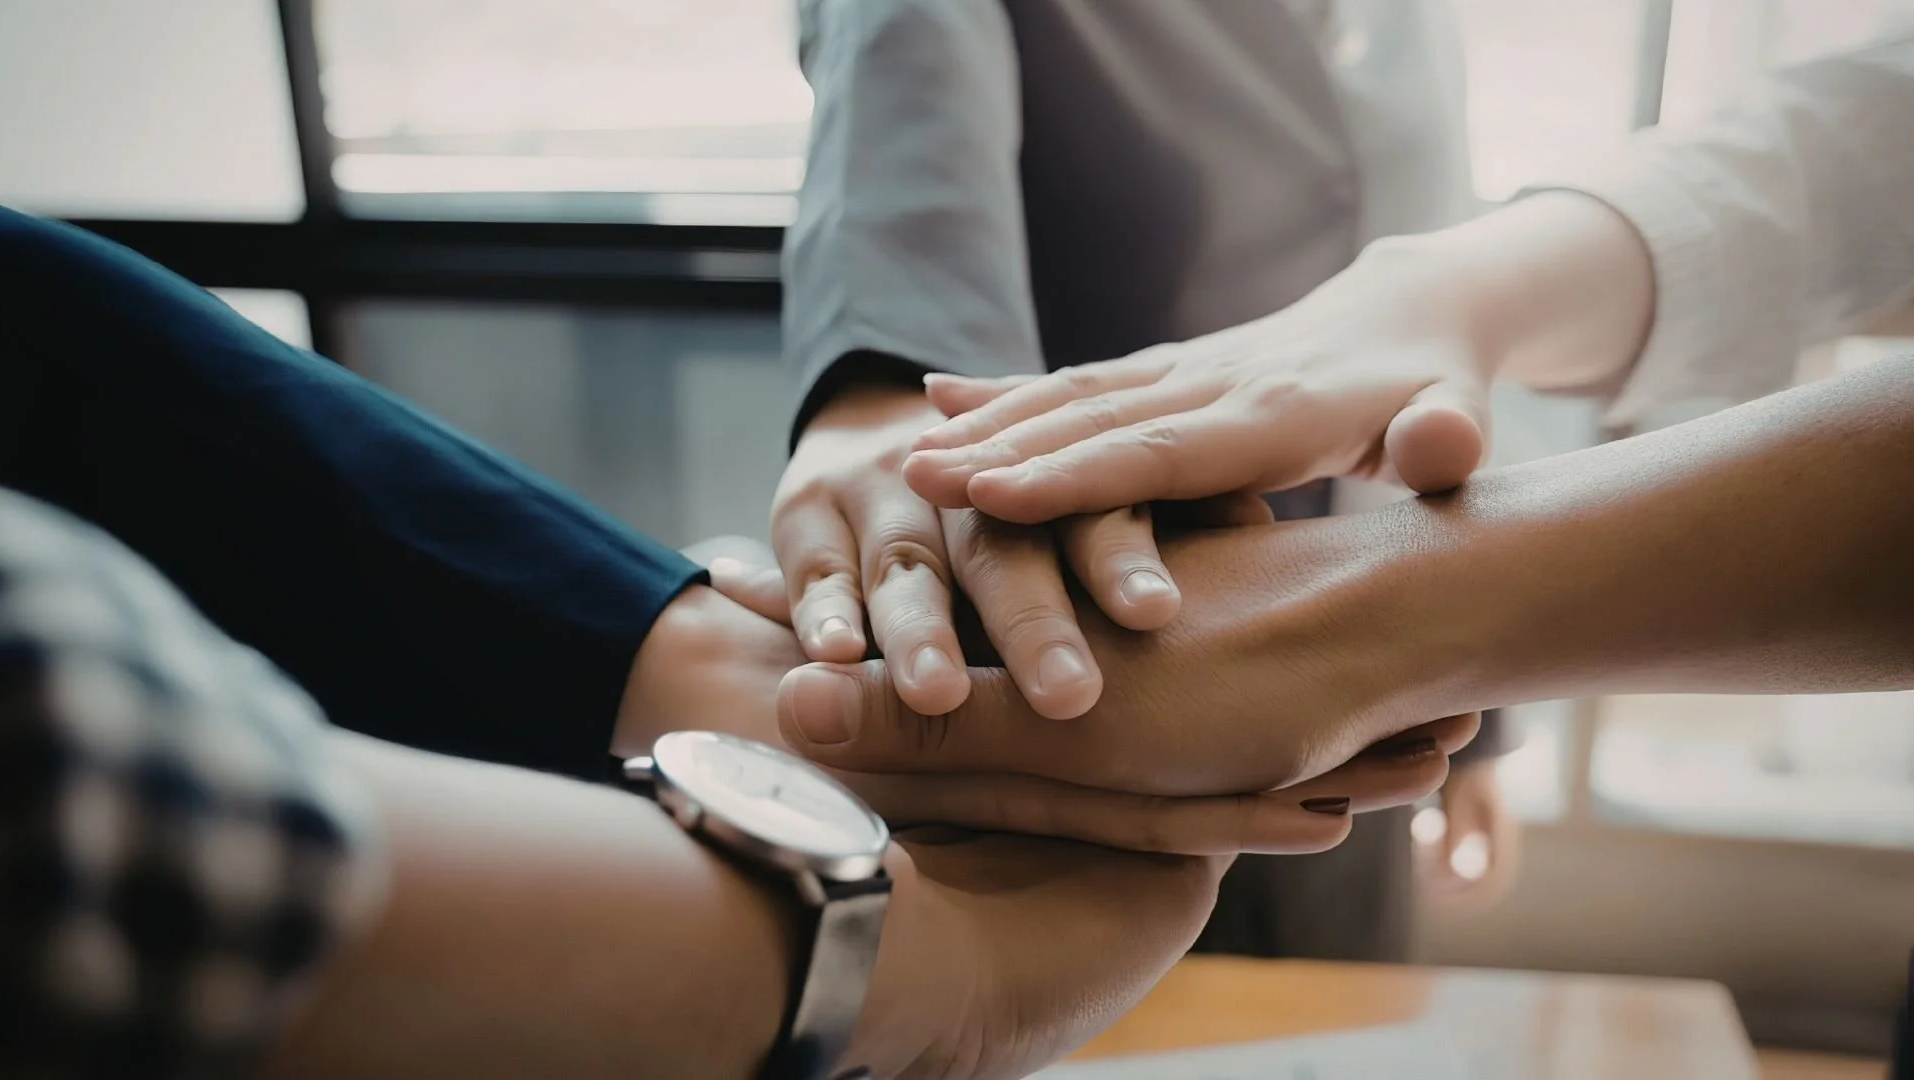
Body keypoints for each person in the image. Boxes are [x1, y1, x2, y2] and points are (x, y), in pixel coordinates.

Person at [0, 205, 1465, 1079]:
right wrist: (911, 973)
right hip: (1009, 519)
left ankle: (738, 684)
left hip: (1107, 562)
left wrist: (1473, 293)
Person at [773, 36, 1914, 807]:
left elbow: (1439, 395)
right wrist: (891, 393)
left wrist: (1446, 684)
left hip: (1355, 708)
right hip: (1065, 664)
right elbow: (899, 85)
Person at [778, 0, 1514, 962]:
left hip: (1380, 683)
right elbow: (903, 105)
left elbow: (1437, 323)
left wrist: (1479, 710)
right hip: (1090, 697)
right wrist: (886, 395)